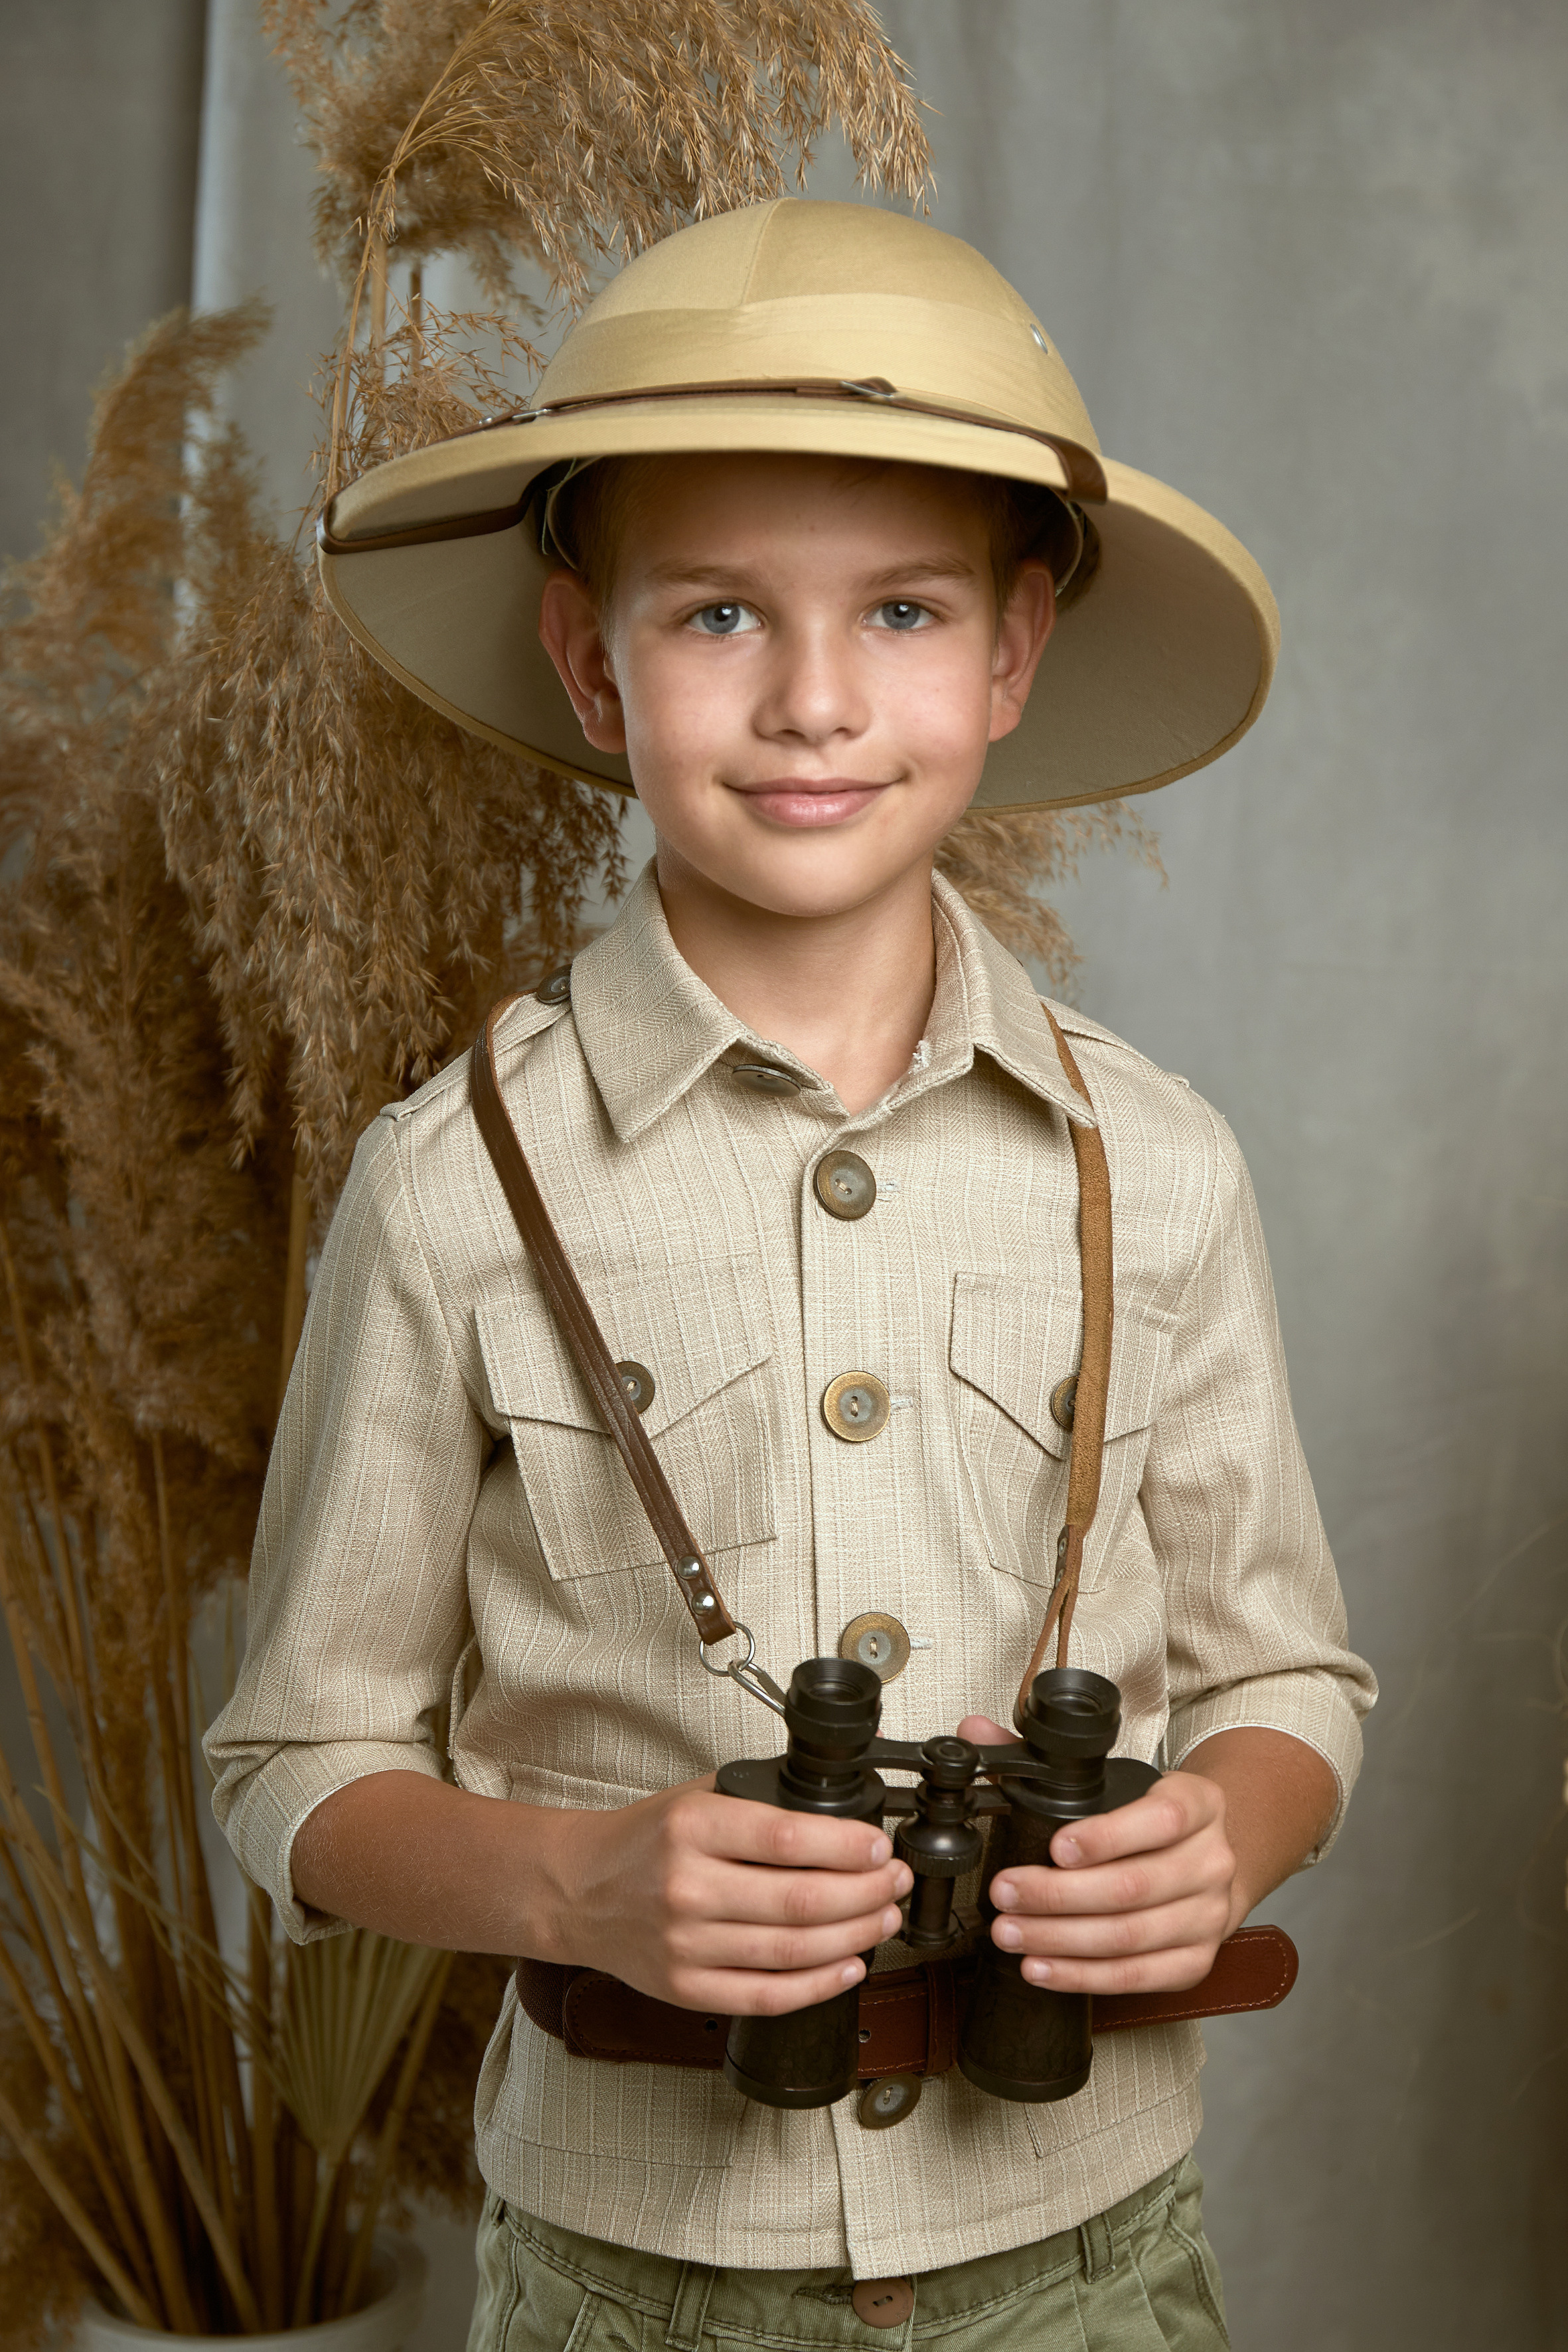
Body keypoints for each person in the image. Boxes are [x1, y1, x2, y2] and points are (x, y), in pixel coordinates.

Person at [207, 200, 1375, 2347]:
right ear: (590, 657)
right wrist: (575, 1884)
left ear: (1013, 657)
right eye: (721, 614)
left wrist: (1221, 1829)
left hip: (1085, 2254)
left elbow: (1291, 1679)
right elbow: (291, 1762)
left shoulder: (1159, 1167)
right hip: (632, 2271)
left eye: (907, 612)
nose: (817, 699)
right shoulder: (456, 1183)